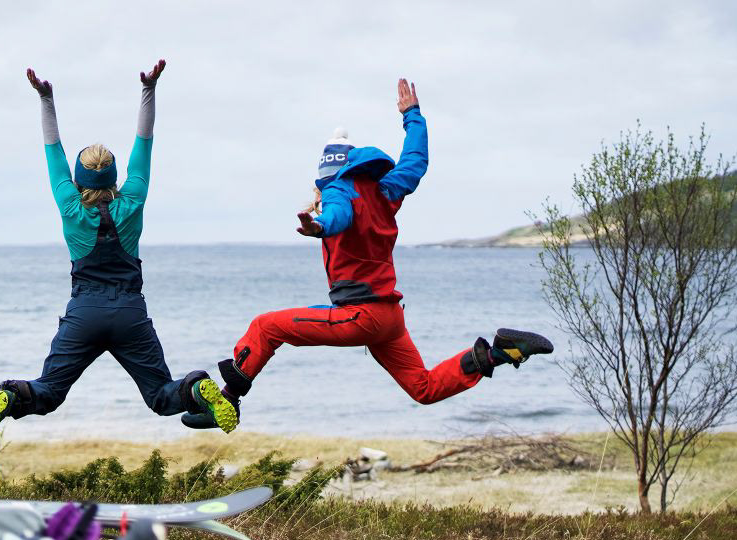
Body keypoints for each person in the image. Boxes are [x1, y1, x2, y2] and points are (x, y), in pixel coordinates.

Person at [182, 78, 553, 429]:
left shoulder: (338, 192)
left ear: (328, 175)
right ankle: (499, 352)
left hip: (361, 316)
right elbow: (414, 163)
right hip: (389, 318)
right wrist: (412, 116)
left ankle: (227, 401)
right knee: (423, 388)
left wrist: (320, 227)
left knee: (266, 326)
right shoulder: (385, 192)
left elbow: (339, 215)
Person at [0, 59, 235, 442]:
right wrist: (149, 89)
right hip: (130, 313)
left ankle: (11, 395)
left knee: (48, 392)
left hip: (84, 313)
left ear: (78, 181)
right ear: (114, 178)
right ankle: (195, 388)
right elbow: (144, 143)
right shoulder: (133, 200)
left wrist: (46, 99)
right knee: (161, 395)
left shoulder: (70, 206)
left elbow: (53, 151)